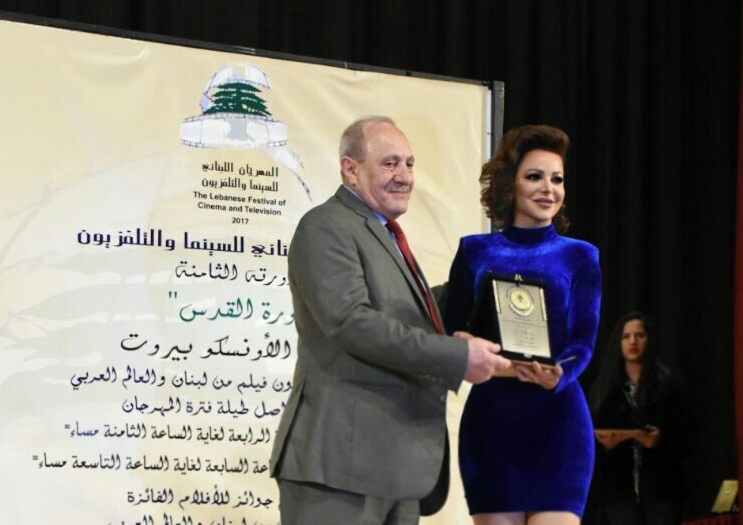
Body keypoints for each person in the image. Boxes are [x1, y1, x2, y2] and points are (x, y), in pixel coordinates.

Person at [269, 115, 511, 525]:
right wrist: (457, 356)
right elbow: (352, 323)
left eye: (410, 163)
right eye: (390, 163)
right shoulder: (326, 226)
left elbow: (407, 315)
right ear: (350, 169)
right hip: (339, 470)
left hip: (395, 470)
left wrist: (478, 286)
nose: (404, 176)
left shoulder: (383, 234)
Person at [443, 124, 602, 525]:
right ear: (509, 183)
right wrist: (464, 346)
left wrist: (559, 374)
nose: (548, 188)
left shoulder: (581, 256)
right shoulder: (474, 250)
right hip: (491, 424)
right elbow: (448, 331)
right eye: (535, 176)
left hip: (559, 422)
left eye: (557, 179)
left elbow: (583, 340)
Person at [588, 312, 690, 525]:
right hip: (617, 491)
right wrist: (604, 443)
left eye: (639, 335)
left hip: (661, 490)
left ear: (649, 339)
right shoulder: (605, 386)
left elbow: (687, 433)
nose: (632, 341)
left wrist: (660, 439)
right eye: (626, 336)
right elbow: (591, 432)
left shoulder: (669, 383)